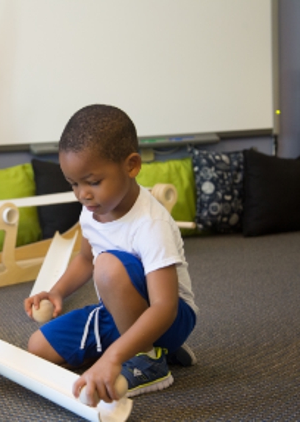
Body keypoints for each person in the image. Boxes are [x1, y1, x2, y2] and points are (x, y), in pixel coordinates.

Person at [24, 104, 198, 405]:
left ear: (131, 166)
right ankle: (152, 347)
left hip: (170, 317)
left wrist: (113, 358)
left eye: (92, 182)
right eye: (74, 184)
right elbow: (84, 260)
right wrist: (56, 292)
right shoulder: (91, 211)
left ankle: (149, 360)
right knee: (38, 347)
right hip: (118, 312)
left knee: (108, 266)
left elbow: (164, 306)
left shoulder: (150, 224)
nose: (82, 194)